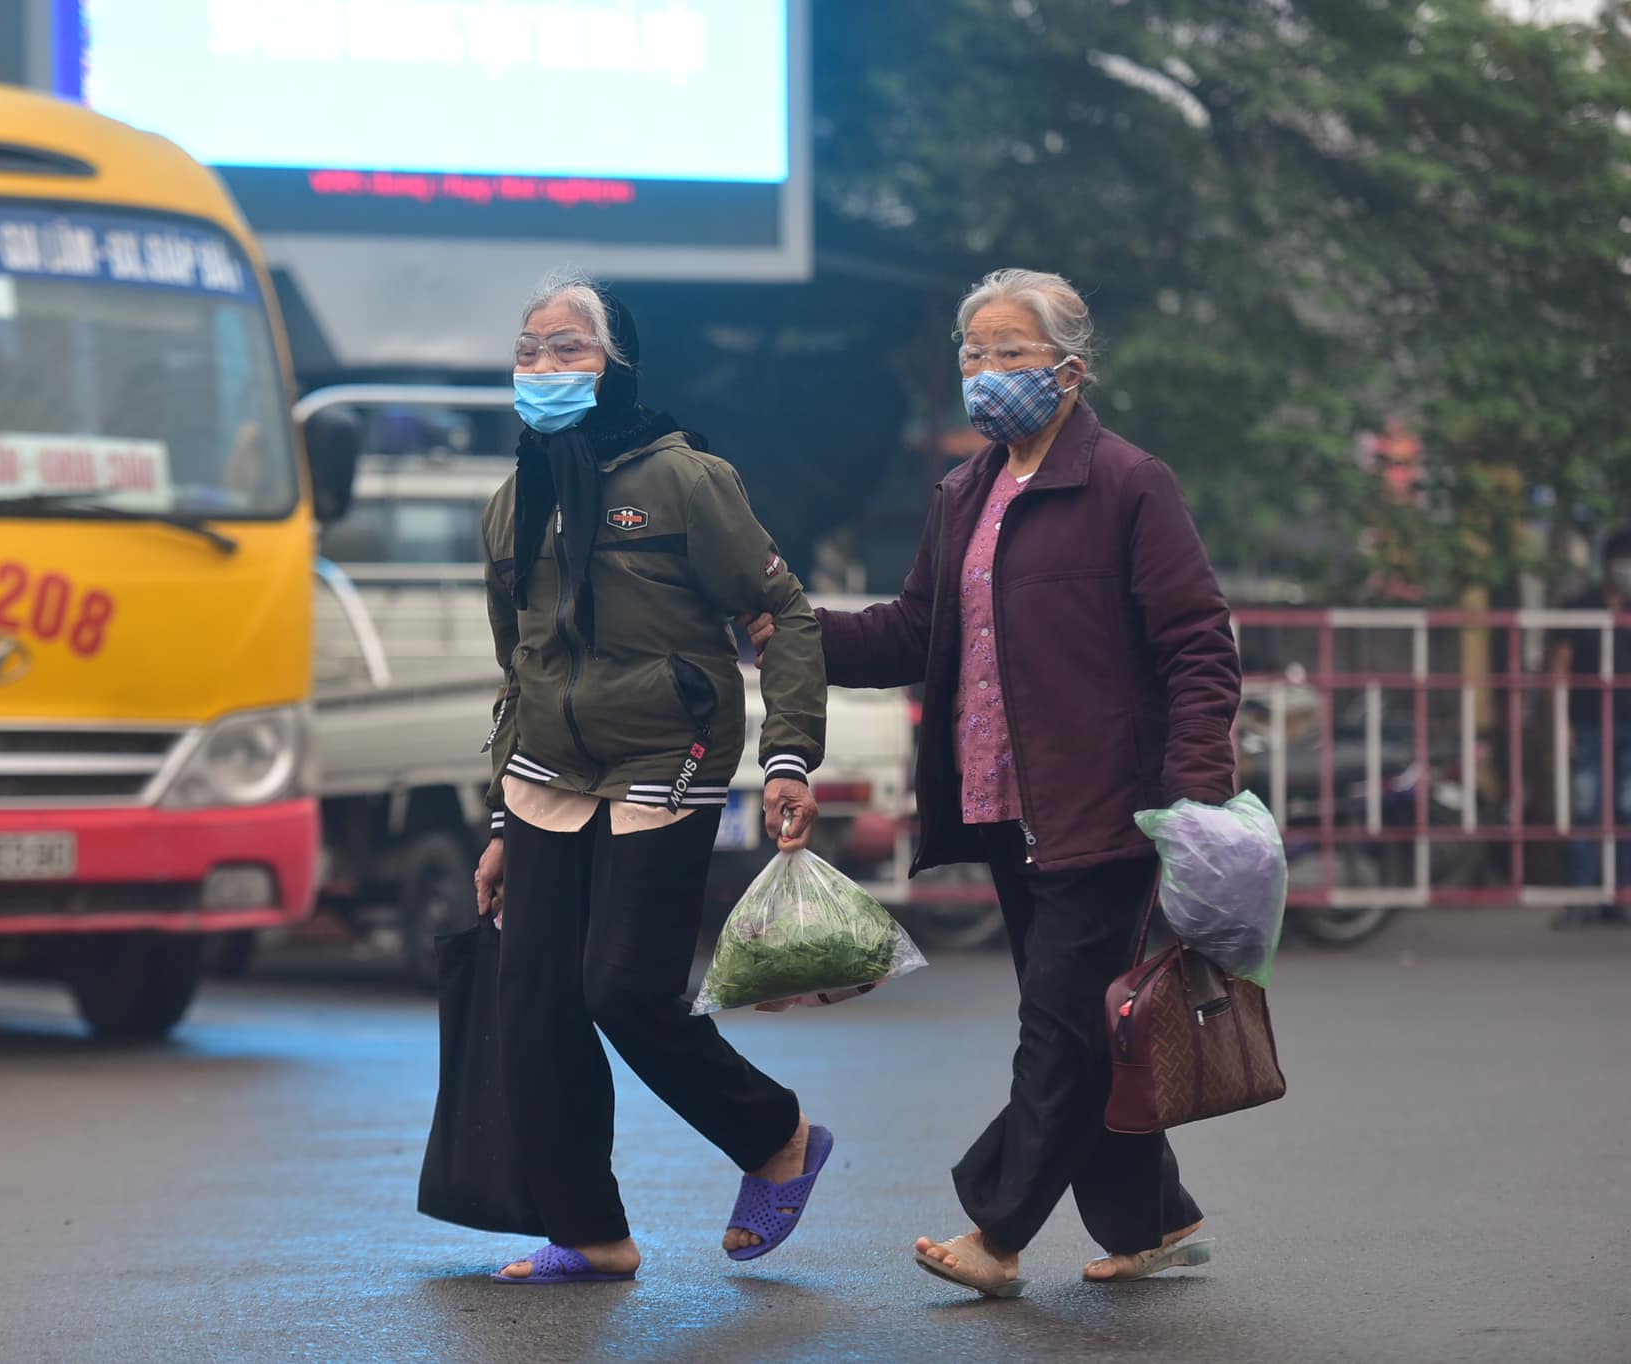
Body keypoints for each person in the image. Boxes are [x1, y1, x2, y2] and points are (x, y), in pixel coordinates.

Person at [749, 269, 1243, 1295]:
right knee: (1083, 1022)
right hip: (1003, 801)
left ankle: (998, 1228)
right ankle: (1153, 1216)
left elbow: (1198, 644)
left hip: (1107, 803)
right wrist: (790, 633)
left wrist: (1192, 792)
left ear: (1067, 366)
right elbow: (910, 630)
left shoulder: (1125, 483)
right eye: (971, 351)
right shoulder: (964, 491)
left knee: (1058, 1025)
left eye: (1008, 350)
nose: (984, 369)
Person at [470, 272, 836, 1284]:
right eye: (529, 348)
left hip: (665, 750)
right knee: (534, 998)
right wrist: (501, 817)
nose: (543, 367)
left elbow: (781, 616)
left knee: (622, 988)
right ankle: (590, 1229)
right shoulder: (511, 504)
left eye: (569, 348)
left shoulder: (684, 478)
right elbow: (522, 668)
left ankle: (778, 1138)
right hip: (551, 761)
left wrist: (787, 753)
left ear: (615, 364)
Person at [1548, 530, 1631, 927]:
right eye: (1624, 559)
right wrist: (1561, 724)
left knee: (1627, 812)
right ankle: (1581, 898)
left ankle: (1623, 896)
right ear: (1608, 562)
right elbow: (1559, 668)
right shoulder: (1578, 607)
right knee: (1586, 812)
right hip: (1586, 725)